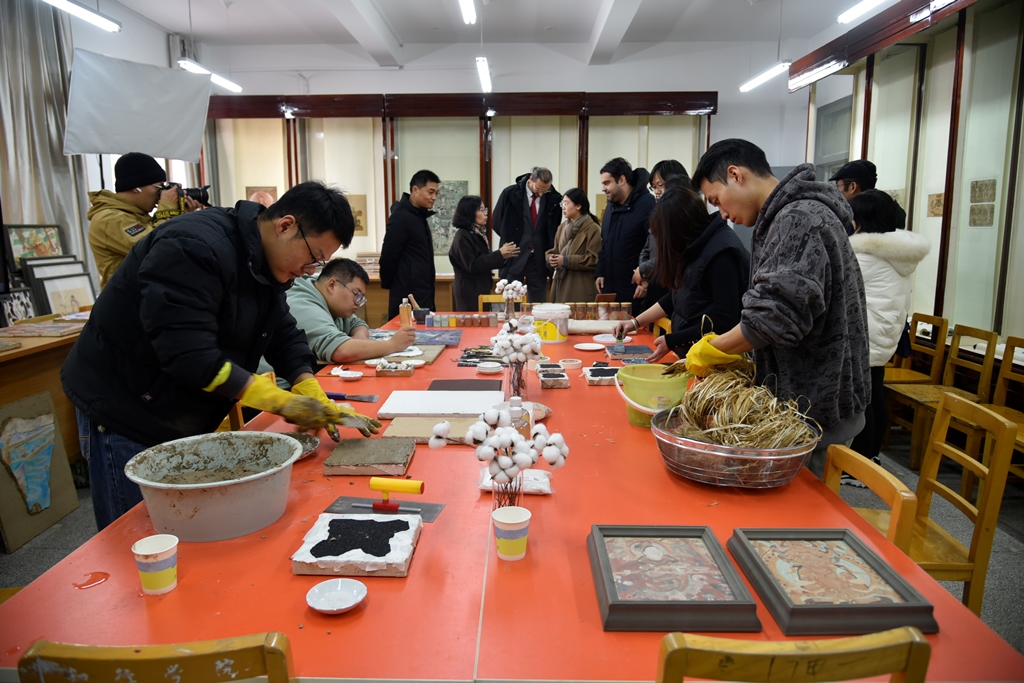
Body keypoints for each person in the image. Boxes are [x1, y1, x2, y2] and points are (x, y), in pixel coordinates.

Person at [62, 181, 381, 530]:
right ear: (286, 225)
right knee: (137, 535)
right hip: (124, 404)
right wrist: (278, 400)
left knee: (181, 528)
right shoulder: (193, 246)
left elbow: (281, 332)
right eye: (313, 257)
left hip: (176, 405)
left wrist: (310, 388)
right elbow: (188, 354)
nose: (310, 270)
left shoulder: (266, 262)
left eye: (319, 263)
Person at [687, 139, 870, 479]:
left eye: (717, 200)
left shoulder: (798, 219)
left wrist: (711, 349)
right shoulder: (787, 217)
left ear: (735, 175)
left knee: (798, 511)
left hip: (816, 407)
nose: (722, 213)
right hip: (807, 404)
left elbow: (772, 318)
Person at [845, 190, 930, 484]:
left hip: (863, 337)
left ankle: (858, 466)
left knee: (862, 402)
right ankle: (872, 456)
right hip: (884, 336)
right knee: (875, 397)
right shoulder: (898, 255)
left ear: (861, 219)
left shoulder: (864, 256)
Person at [613, 184, 749, 363]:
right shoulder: (695, 246)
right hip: (691, 355)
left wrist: (674, 340)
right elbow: (677, 296)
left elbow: (724, 320)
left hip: (713, 359)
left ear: (681, 227)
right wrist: (635, 323)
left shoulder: (722, 254)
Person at [269, 258, 417, 370]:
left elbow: (357, 323)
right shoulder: (303, 303)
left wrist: (360, 334)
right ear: (332, 285)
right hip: (281, 387)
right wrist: (392, 345)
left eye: (361, 298)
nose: (358, 303)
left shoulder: (333, 304)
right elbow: (341, 351)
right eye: (356, 295)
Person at [87, 152, 201, 287]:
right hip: (128, 298)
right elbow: (154, 249)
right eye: (159, 187)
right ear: (136, 188)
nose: (160, 195)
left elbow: (173, 250)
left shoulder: (137, 215)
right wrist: (167, 208)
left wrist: (181, 218)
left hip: (149, 294)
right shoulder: (108, 219)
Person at [492, 167, 563, 303]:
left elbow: (554, 227)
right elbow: (496, 222)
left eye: (545, 190)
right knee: (511, 299)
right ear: (531, 179)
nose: (541, 193)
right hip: (514, 255)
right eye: (538, 189)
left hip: (539, 258)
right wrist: (510, 238)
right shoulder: (510, 193)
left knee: (538, 301)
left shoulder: (554, 198)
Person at [595, 157, 656, 310]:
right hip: (611, 289)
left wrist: (647, 282)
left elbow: (654, 249)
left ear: (622, 180)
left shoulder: (648, 205)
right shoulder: (610, 207)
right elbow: (605, 243)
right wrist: (600, 272)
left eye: (607, 183)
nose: (603, 188)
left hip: (636, 291)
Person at [380, 170, 440, 320]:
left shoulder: (419, 216)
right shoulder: (401, 217)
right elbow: (389, 255)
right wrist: (389, 283)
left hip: (423, 290)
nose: (434, 197)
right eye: (430, 192)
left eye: (436, 193)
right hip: (407, 293)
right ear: (415, 189)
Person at [448, 196, 519, 311]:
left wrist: (503, 256)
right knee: (471, 321)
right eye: (481, 210)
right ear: (470, 213)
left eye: (485, 209)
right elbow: (473, 265)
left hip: (480, 287)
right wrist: (499, 254)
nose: (486, 213)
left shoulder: (478, 233)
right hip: (468, 290)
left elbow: (484, 259)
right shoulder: (463, 236)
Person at [634, 159, 687, 310]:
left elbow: (672, 254)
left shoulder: (682, 215)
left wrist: (643, 270)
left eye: (661, 185)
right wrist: (644, 273)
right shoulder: (657, 214)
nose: (657, 191)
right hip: (655, 285)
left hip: (672, 289)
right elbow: (645, 249)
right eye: (654, 187)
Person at [545, 188, 602, 303]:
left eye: (566, 203)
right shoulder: (562, 227)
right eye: (562, 203)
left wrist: (566, 261)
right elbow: (555, 250)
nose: (563, 207)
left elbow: (594, 259)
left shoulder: (593, 228)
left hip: (580, 286)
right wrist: (551, 258)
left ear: (578, 206)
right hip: (560, 282)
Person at [829, 159, 906, 233]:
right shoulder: (892, 209)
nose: (836, 191)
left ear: (852, 187)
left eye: (838, 186)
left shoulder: (856, 216)